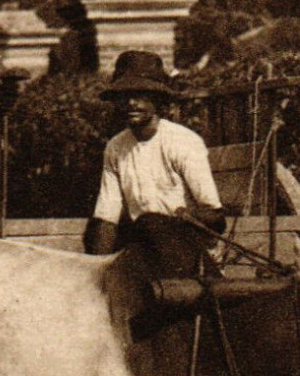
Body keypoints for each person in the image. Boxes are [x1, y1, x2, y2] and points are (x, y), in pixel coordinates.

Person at [82, 50, 226, 267]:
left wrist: (177, 220)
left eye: (141, 95)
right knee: (99, 232)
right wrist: (94, 269)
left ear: (157, 100)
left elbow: (214, 216)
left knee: (150, 223)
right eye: (124, 96)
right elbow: (107, 218)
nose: (131, 103)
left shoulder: (182, 141)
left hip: (189, 247)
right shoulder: (116, 147)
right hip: (144, 245)